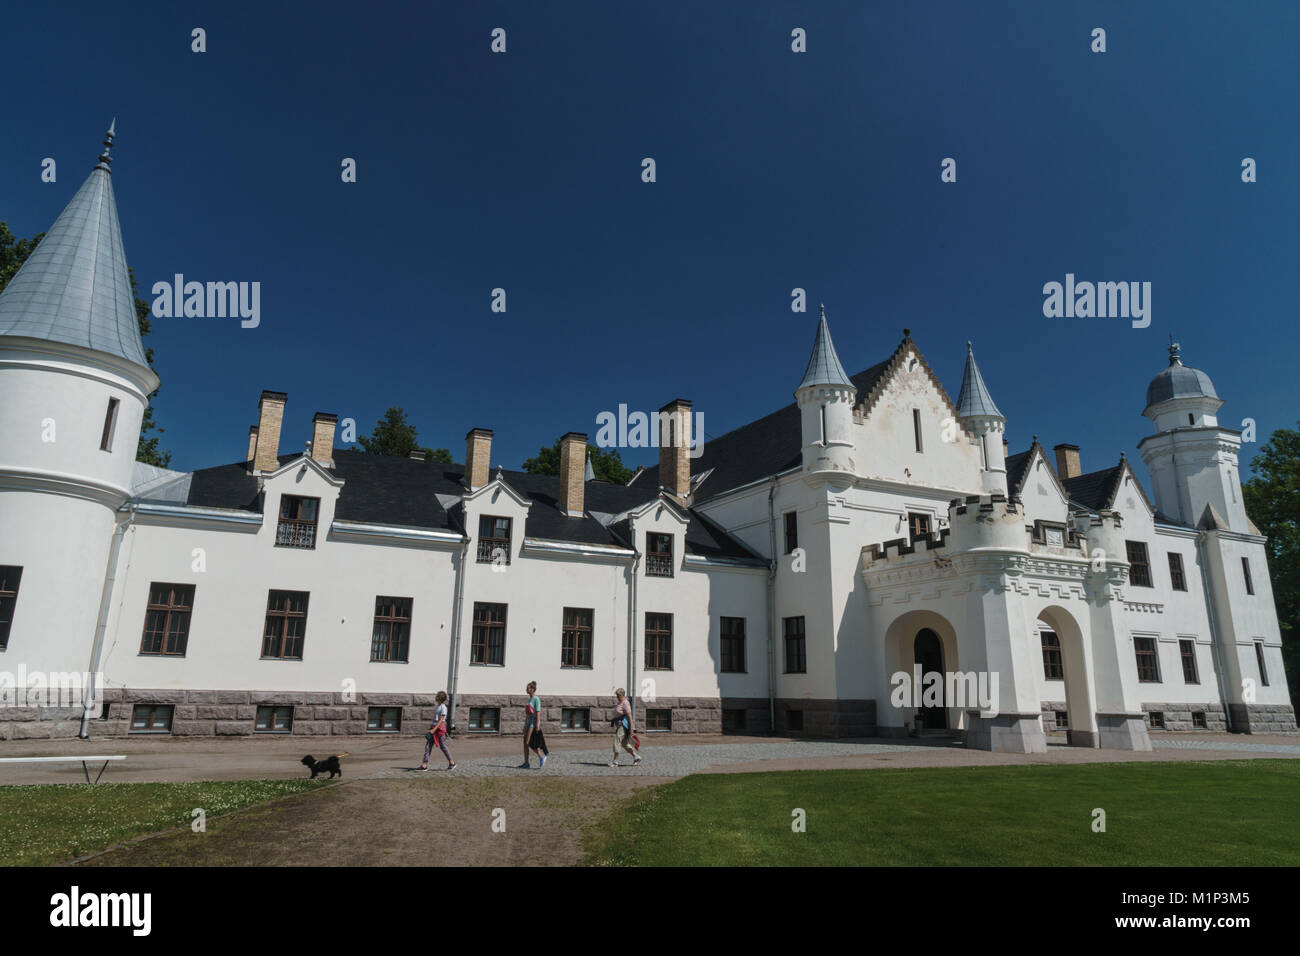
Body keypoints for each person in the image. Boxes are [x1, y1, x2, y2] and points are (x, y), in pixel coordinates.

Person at [420, 690, 455, 771]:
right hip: (434, 727)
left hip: (439, 729)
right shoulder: (438, 706)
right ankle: (424, 765)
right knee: (428, 745)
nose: (436, 697)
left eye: (437, 696)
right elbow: (436, 719)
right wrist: (431, 727)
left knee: (443, 746)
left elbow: (441, 720)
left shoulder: (443, 707)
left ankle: (452, 763)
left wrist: (433, 730)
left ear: (439, 698)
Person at [609, 687, 642, 767]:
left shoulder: (625, 703)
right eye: (616, 695)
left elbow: (630, 717)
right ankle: (636, 757)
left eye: (618, 695)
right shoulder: (620, 702)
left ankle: (615, 761)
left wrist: (631, 730)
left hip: (623, 725)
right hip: (619, 725)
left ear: (622, 695)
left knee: (617, 741)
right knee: (624, 743)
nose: (617, 697)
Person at [520, 681, 548, 768]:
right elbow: (528, 713)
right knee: (525, 742)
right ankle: (526, 763)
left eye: (528, 688)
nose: (526, 689)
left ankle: (541, 757)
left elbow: (538, 712)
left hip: (533, 723)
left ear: (532, 689)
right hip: (528, 722)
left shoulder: (536, 699)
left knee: (528, 742)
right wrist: (525, 725)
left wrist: (537, 725)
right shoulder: (529, 699)